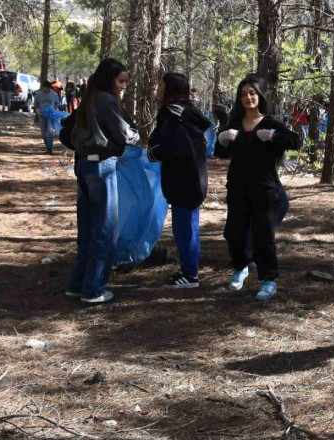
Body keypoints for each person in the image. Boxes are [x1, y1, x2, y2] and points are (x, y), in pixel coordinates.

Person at [215, 74, 300, 299]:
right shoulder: (235, 123)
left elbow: (295, 141)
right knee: (234, 232)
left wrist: (273, 136)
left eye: (252, 93)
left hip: (265, 188)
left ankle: (268, 280)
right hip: (237, 186)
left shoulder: (270, 123)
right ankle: (240, 268)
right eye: (243, 94)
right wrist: (222, 138)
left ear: (260, 95)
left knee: (263, 234)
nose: (248, 97)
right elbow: (221, 153)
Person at [66, 58, 140, 304]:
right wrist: (136, 135)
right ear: (109, 79)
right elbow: (124, 134)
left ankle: (78, 285)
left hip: (85, 165)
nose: (123, 87)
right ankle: (94, 289)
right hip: (102, 167)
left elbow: (72, 132)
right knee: (105, 230)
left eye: (126, 82)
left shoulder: (88, 97)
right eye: (121, 81)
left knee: (87, 229)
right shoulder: (105, 99)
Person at [147, 73, 211, 288]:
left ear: (171, 88)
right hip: (194, 179)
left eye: (162, 84)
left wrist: (152, 151)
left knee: (184, 229)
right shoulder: (188, 112)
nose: (159, 87)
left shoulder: (172, 113)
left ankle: (190, 275)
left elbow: (170, 145)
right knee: (189, 227)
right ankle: (189, 269)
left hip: (183, 180)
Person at [33, 80, 62, 154]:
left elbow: (57, 104)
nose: (47, 89)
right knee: (43, 132)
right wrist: (37, 110)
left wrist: (55, 111)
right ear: (43, 87)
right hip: (42, 115)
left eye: (48, 88)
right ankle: (47, 146)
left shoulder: (54, 94)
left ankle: (50, 148)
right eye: (46, 87)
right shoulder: (39, 94)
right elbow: (36, 103)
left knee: (50, 131)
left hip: (50, 115)